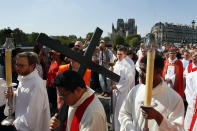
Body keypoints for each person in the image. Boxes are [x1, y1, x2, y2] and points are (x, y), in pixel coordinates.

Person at [119, 54, 185, 131]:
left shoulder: (174, 99)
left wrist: (158, 117)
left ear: (159, 71)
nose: (140, 74)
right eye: (140, 69)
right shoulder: (136, 90)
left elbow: (178, 129)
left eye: (145, 71)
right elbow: (124, 113)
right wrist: (131, 128)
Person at [4, 52, 50, 131]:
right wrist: (13, 95)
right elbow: (23, 99)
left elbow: (33, 115)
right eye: (17, 64)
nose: (17, 68)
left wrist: (16, 124)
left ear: (32, 66)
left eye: (21, 65)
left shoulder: (36, 84)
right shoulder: (23, 78)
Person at [111, 47, 135, 131]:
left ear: (125, 54)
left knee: (120, 111)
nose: (118, 56)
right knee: (115, 110)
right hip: (115, 90)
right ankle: (115, 127)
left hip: (124, 91)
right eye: (117, 54)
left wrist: (117, 87)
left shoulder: (128, 64)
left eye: (120, 54)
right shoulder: (117, 62)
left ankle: (120, 129)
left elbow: (129, 79)